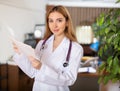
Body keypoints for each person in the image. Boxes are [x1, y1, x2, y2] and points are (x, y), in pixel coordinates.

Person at [12, 5, 83, 91]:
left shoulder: (76, 49)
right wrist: (20, 53)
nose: (54, 25)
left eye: (59, 20)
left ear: (67, 22)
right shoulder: (42, 44)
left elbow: (70, 79)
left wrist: (42, 67)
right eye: (51, 21)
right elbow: (33, 72)